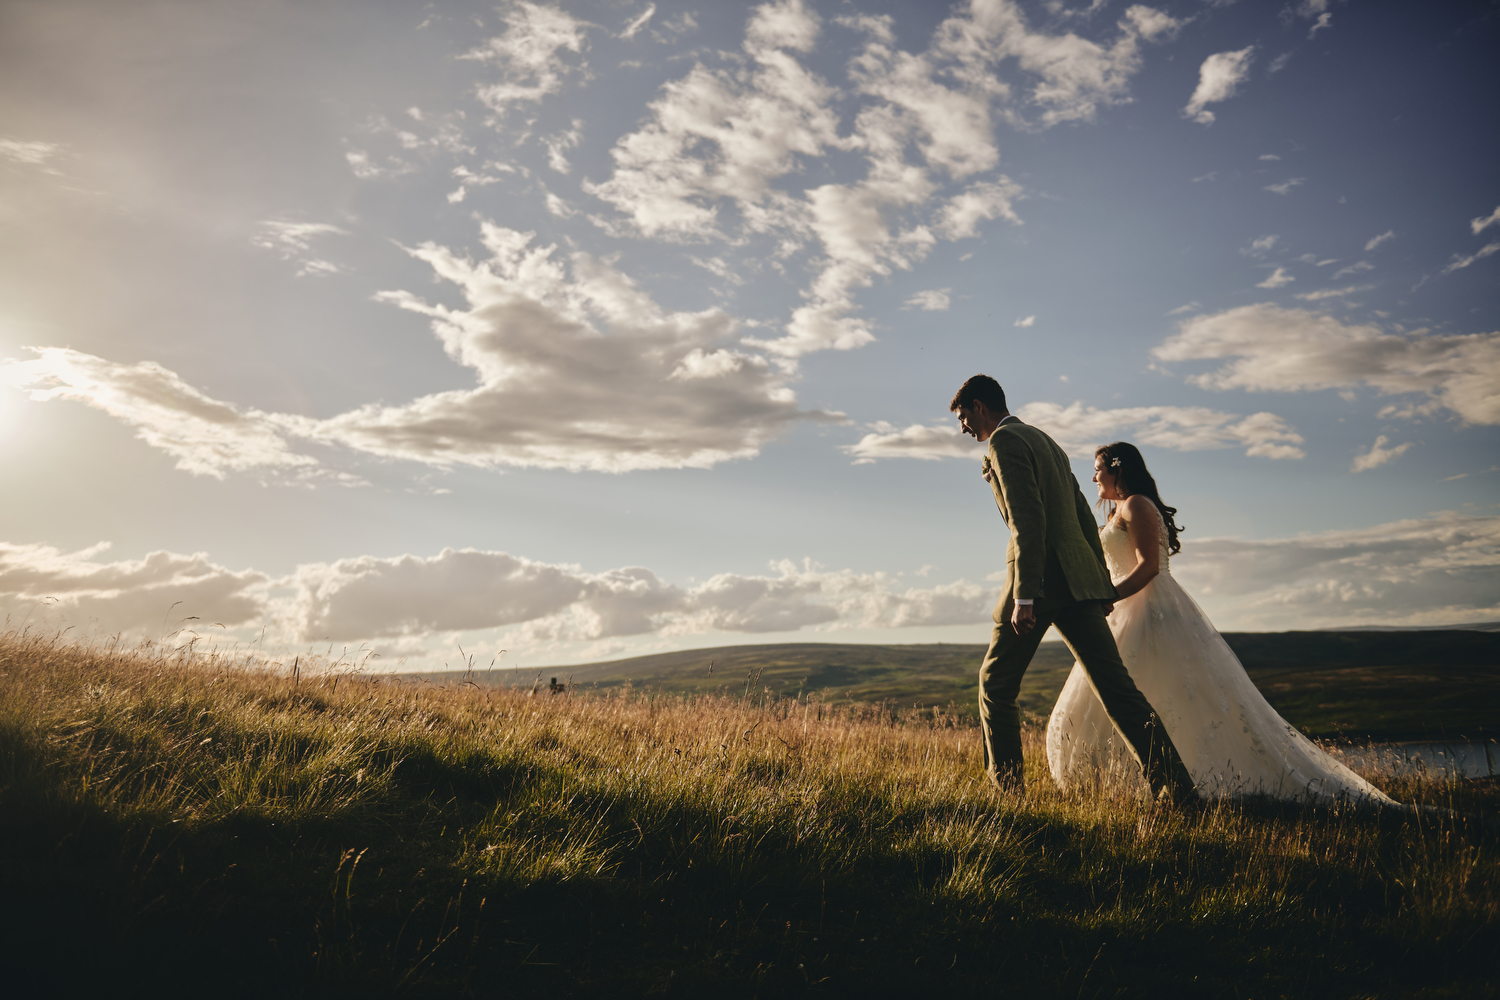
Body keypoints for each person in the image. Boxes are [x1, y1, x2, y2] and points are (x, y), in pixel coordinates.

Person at [1045, 441, 1395, 805]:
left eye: (1098, 468)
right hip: (1125, 611)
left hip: (1149, 612)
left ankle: (1185, 784)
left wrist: (1108, 597)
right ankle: (1123, 788)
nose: (1093, 476)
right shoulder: (1121, 509)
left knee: (1151, 696)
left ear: (1117, 469)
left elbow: (1148, 566)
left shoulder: (1136, 504)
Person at [950, 375, 1198, 806]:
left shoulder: (1005, 443)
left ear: (979, 405)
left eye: (964, 417)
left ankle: (1007, 795)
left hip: (1039, 581)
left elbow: (1027, 520)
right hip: (1077, 584)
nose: (964, 427)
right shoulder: (1046, 441)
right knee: (1117, 689)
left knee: (995, 682)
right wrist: (1097, 583)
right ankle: (1178, 791)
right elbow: (1084, 514)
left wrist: (1025, 596)